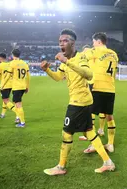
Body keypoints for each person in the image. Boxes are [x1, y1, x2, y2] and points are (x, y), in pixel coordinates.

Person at [41, 29, 115, 175]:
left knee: (66, 133)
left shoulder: (80, 57)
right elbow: (58, 77)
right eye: (60, 41)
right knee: (89, 132)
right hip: (84, 101)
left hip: (78, 102)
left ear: (72, 43)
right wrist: (47, 70)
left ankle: (61, 167)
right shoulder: (65, 60)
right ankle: (108, 162)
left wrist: (67, 62)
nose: (61, 43)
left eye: (65, 41)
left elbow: (89, 74)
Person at [81, 32, 118, 154]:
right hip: (110, 88)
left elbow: (84, 55)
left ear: (98, 41)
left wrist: (87, 50)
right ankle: (110, 144)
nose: (93, 44)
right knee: (109, 116)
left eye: (93, 42)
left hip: (98, 87)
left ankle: (93, 144)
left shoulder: (97, 51)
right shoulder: (114, 54)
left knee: (91, 114)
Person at [2, 49, 30, 127]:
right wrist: (27, 86)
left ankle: (22, 123)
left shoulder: (13, 63)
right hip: (23, 86)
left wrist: (3, 85)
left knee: (18, 104)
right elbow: (28, 76)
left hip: (17, 87)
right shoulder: (24, 63)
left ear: (12, 55)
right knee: (17, 103)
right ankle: (18, 117)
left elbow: (7, 76)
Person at [0, 53, 17, 119]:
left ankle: (18, 113)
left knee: (6, 100)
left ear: (0, 58)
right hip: (11, 84)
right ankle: (3, 114)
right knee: (5, 99)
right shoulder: (10, 64)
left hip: (4, 85)